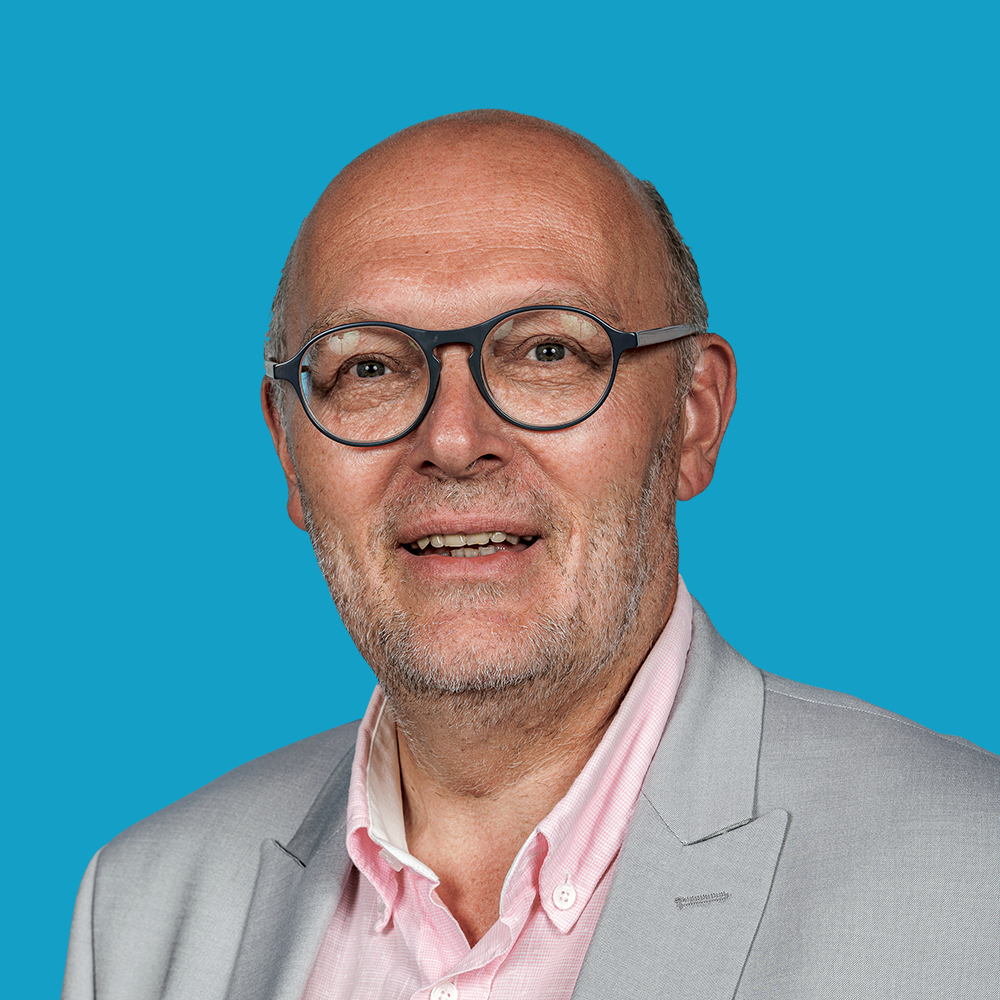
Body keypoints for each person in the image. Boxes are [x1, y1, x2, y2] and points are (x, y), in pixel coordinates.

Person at [63, 110, 998, 1000]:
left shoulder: (973, 877)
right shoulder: (141, 909)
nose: (452, 440)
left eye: (548, 352)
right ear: (288, 451)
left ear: (693, 418)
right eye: (370, 367)